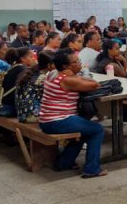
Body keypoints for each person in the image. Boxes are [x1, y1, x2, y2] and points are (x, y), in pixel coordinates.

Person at [39, 48, 105, 178]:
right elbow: (96, 85)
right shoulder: (67, 80)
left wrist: (75, 74)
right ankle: (92, 169)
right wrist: (77, 75)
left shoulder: (52, 73)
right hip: (58, 121)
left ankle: (64, 162)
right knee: (97, 129)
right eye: (76, 62)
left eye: (78, 60)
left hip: (46, 120)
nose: (80, 63)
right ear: (65, 66)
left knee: (84, 131)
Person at [0, 48, 36, 117]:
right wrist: (35, 66)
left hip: (3, 106)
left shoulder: (14, 67)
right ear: (23, 59)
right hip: (12, 108)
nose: (33, 59)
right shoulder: (24, 71)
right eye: (31, 57)